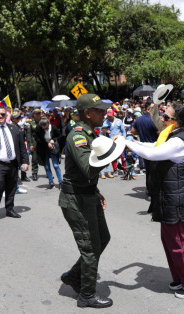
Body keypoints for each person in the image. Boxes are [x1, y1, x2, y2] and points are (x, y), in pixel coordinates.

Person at [126, 103, 184, 299]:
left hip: (176, 201)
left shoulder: (178, 141)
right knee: (169, 242)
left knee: (178, 244)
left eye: (166, 116)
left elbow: (152, 154)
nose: (162, 118)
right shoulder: (170, 136)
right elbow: (153, 146)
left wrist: (125, 143)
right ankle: (181, 279)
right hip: (170, 199)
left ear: (177, 122)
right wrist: (129, 141)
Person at [59, 94, 120, 309]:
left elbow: (86, 174)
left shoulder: (89, 132)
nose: (104, 114)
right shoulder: (78, 136)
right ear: (88, 113)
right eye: (100, 111)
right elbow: (87, 167)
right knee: (91, 248)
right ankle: (86, 295)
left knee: (102, 238)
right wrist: (111, 153)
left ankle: (74, 276)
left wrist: (96, 191)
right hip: (76, 199)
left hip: (87, 194)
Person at [132, 102, 159, 197]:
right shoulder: (153, 120)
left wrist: (142, 134)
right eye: (153, 109)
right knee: (154, 171)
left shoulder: (139, 119)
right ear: (147, 109)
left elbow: (133, 131)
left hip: (144, 147)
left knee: (149, 170)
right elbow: (160, 133)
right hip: (154, 148)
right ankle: (152, 191)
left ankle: (149, 190)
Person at [35, 118, 63, 189]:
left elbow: (60, 136)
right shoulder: (39, 128)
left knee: (55, 165)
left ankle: (60, 182)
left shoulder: (53, 128)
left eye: (45, 125)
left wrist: (53, 140)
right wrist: (46, 144)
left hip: (53, 148)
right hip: (44, 149)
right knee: (47, 166)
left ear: (48, 123)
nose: (44, 127)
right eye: (42, 126)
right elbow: (37, 139)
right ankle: (51, 182)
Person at [26, 108, 42, 181]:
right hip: (35, 142)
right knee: (35, 159)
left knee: (45, 159)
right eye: (36, 113)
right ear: (33, 115)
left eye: (39, 113)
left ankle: (49, 173)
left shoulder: (44, 121)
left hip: (43, 142)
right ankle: (34, 173)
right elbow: (28, 135)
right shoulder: (31, 123)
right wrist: (30, 144)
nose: (38, 115)